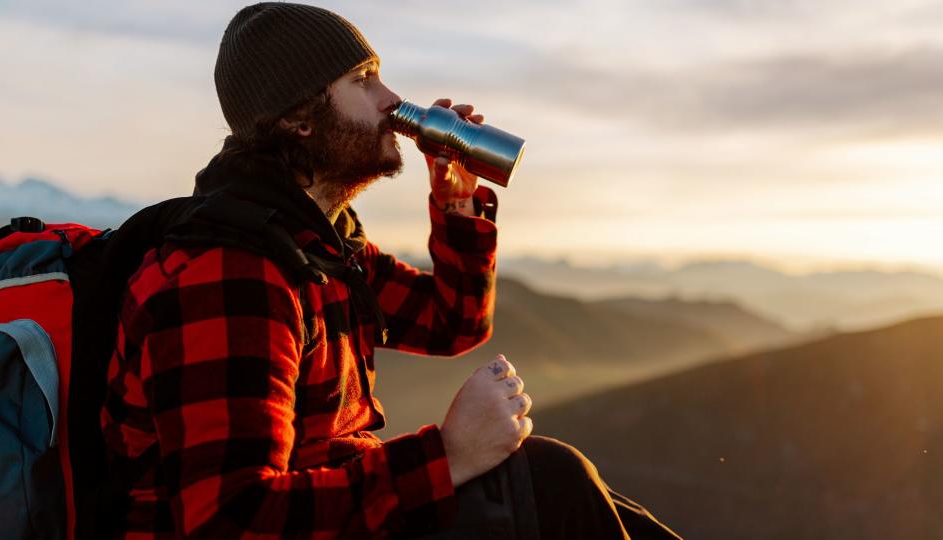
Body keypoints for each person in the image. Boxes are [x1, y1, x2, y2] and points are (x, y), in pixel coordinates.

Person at [100, 3, 681, 539]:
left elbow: (452, 323)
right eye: (362, 80)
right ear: (300, 120)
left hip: (341, 515)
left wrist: (456, 203)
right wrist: (448, 455)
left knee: (556, 481)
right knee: (551, 481)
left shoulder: (320, 244)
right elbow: (232, 520)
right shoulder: (229, 272)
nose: (390, 99)